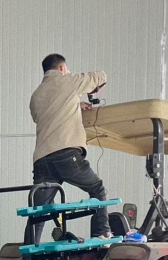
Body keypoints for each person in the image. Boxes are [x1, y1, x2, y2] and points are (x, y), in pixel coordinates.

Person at [26, 53, 110, 246]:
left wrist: (75, 105)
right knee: (97, 188)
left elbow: (46, 115)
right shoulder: (68, 81)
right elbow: (100, 76)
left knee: (38, 212)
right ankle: (102, 233)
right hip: (66, 155)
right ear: (62, 68)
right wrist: (94, 87)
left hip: (42, 160)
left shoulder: (36, 95)